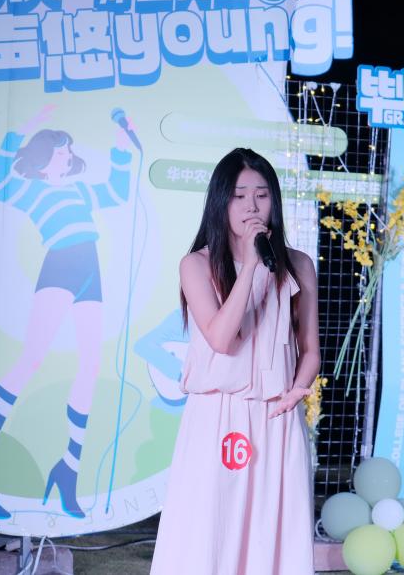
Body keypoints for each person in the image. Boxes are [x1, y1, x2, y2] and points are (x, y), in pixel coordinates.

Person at [150, 148, 320, 575]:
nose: (251, 206)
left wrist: (297, 391)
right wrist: (249, 267)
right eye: (239, 196)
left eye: (262, 195)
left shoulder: (299, 264)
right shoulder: (196, 265)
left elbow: (310, 349)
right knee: (212, 527)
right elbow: (222, 339)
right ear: (220, 201)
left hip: (278, 416)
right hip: (218, 416)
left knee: (272, 530)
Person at [0, 105, 135, 520]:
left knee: (90, 364)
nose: (67, 155)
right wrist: (20, 131)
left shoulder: (80, 190)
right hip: (59, 266)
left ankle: (68, 469)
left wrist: (121, 146)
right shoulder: (32, 191)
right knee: (32, 357)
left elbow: (117, 192)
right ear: (42, 160)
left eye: (68, 150)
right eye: (59, 151)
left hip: (90, 269)